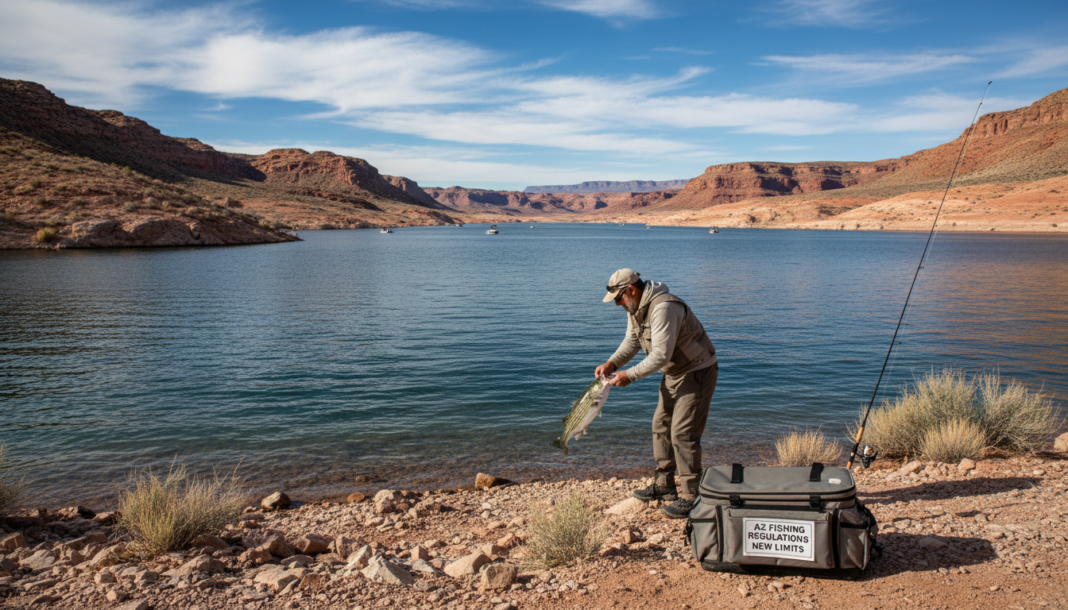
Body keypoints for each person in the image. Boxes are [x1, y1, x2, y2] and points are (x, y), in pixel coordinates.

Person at [595, 268, 718, 518]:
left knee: (683, 433)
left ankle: (691, 496)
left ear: (631, 289)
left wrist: (629, 375)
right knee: (660, 426)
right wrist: (612, 364)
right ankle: (665, 486)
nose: (617, 304)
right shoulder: (636, 308)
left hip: (696, 371)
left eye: (619, 298)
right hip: (674, 373)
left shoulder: (663, 308)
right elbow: (632, 342)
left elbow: (661, 355)